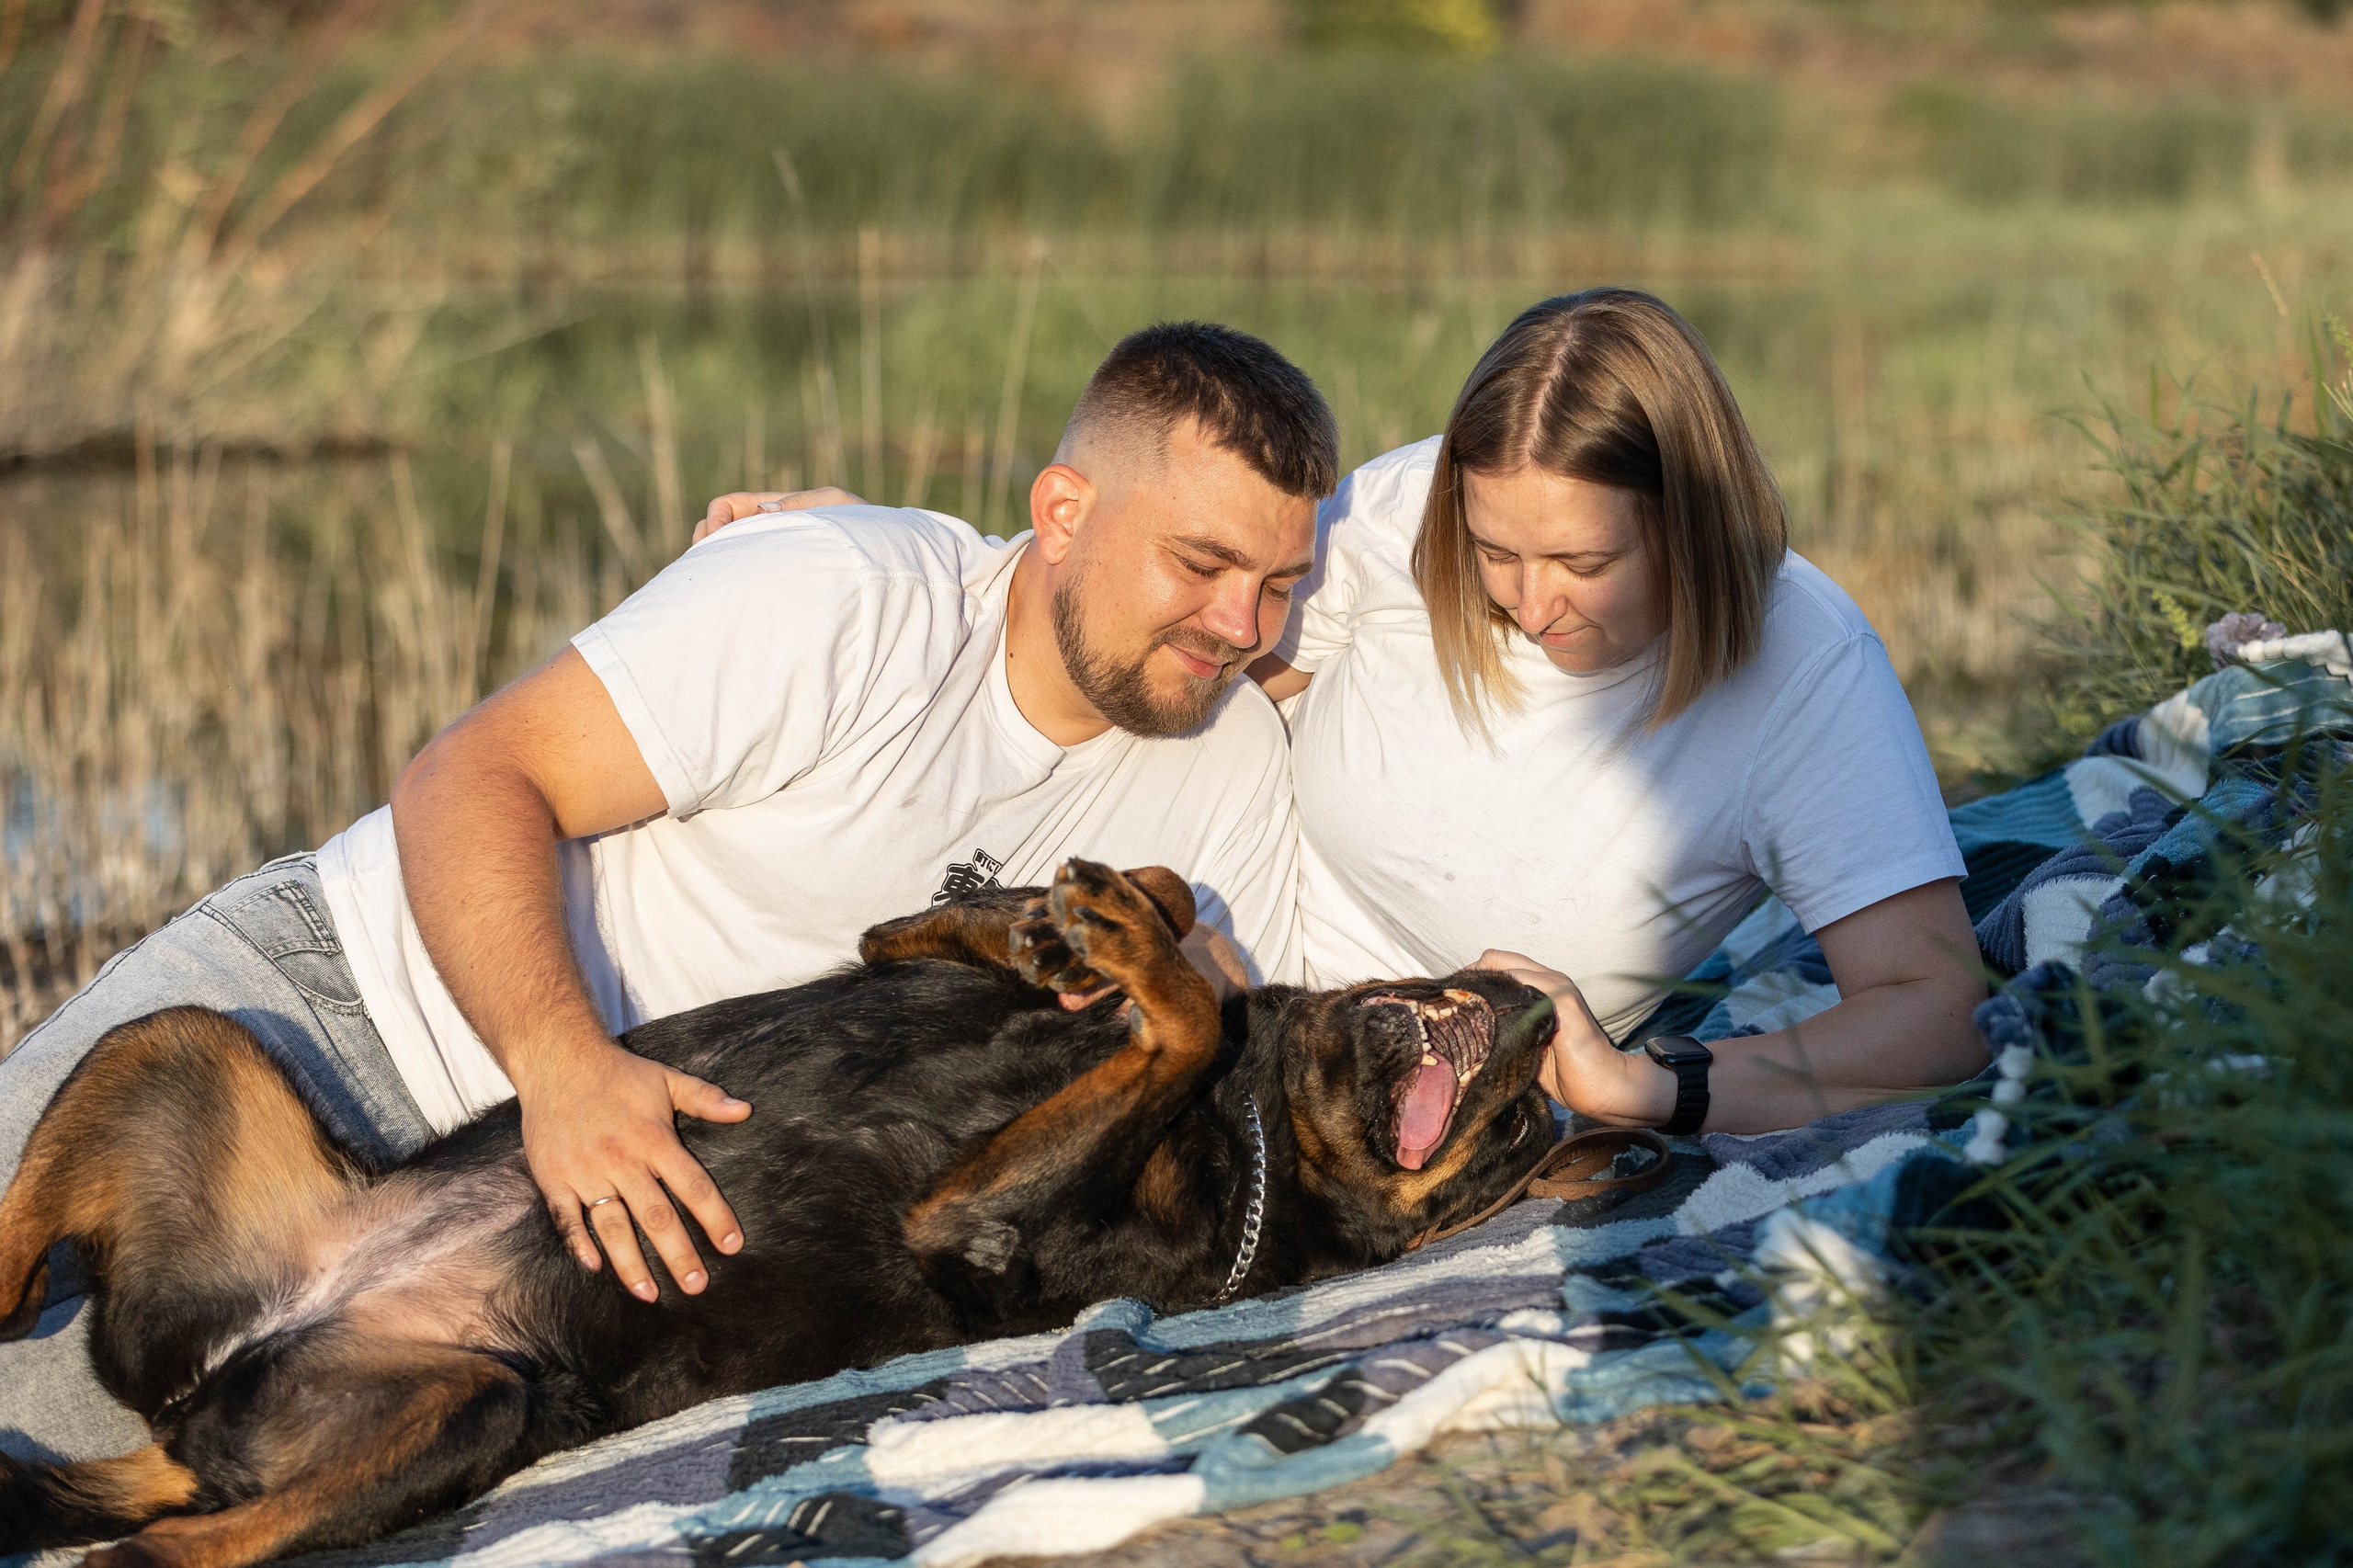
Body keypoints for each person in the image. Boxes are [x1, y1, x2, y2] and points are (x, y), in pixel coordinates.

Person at [0, 321, 1333, 1462]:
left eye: (1278, 584)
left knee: (75, 1484)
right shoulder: (843, 595)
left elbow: (1267, 1040)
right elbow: (469, 776)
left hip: (552, 1242)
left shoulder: (1220, 769)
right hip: (342, 1015)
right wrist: (562, 1060)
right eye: (1202, 566)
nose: (1242, 624)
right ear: (1062, 512)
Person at [1249, 289, 1986, 1142]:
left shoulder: (1806, 670)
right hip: (1214, 991)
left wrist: (1647, 1086)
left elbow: (1937, 1014)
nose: (1531, 605)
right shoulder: (1398, 512)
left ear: (1690, 524)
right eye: (1495, 553)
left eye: (1583, 561)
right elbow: (1214, 704)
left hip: (1409, 1123)